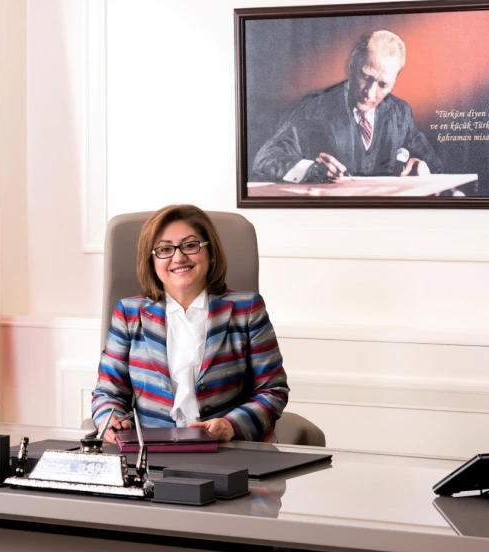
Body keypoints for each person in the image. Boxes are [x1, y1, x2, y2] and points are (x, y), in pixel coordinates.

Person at [91, 205, 289, 444]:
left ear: (210, 252)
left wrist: (230, 426)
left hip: (227, 450)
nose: (178, 257)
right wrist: (108, 417)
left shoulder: (247, 310)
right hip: (152, 453)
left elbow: (272, 390)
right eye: (165, 249)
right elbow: (108, 392)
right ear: (151, 260)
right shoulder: (129, 313)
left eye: (190, 245)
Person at [253, 30, 441, 184]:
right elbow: (265, 158)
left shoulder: (400, 113)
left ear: (394, 82)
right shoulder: (315, 108)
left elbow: (435, 166)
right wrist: (311, 169)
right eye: (366, 77)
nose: (370, 93)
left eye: (383, 85)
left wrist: (423, 167)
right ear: (351, 67)